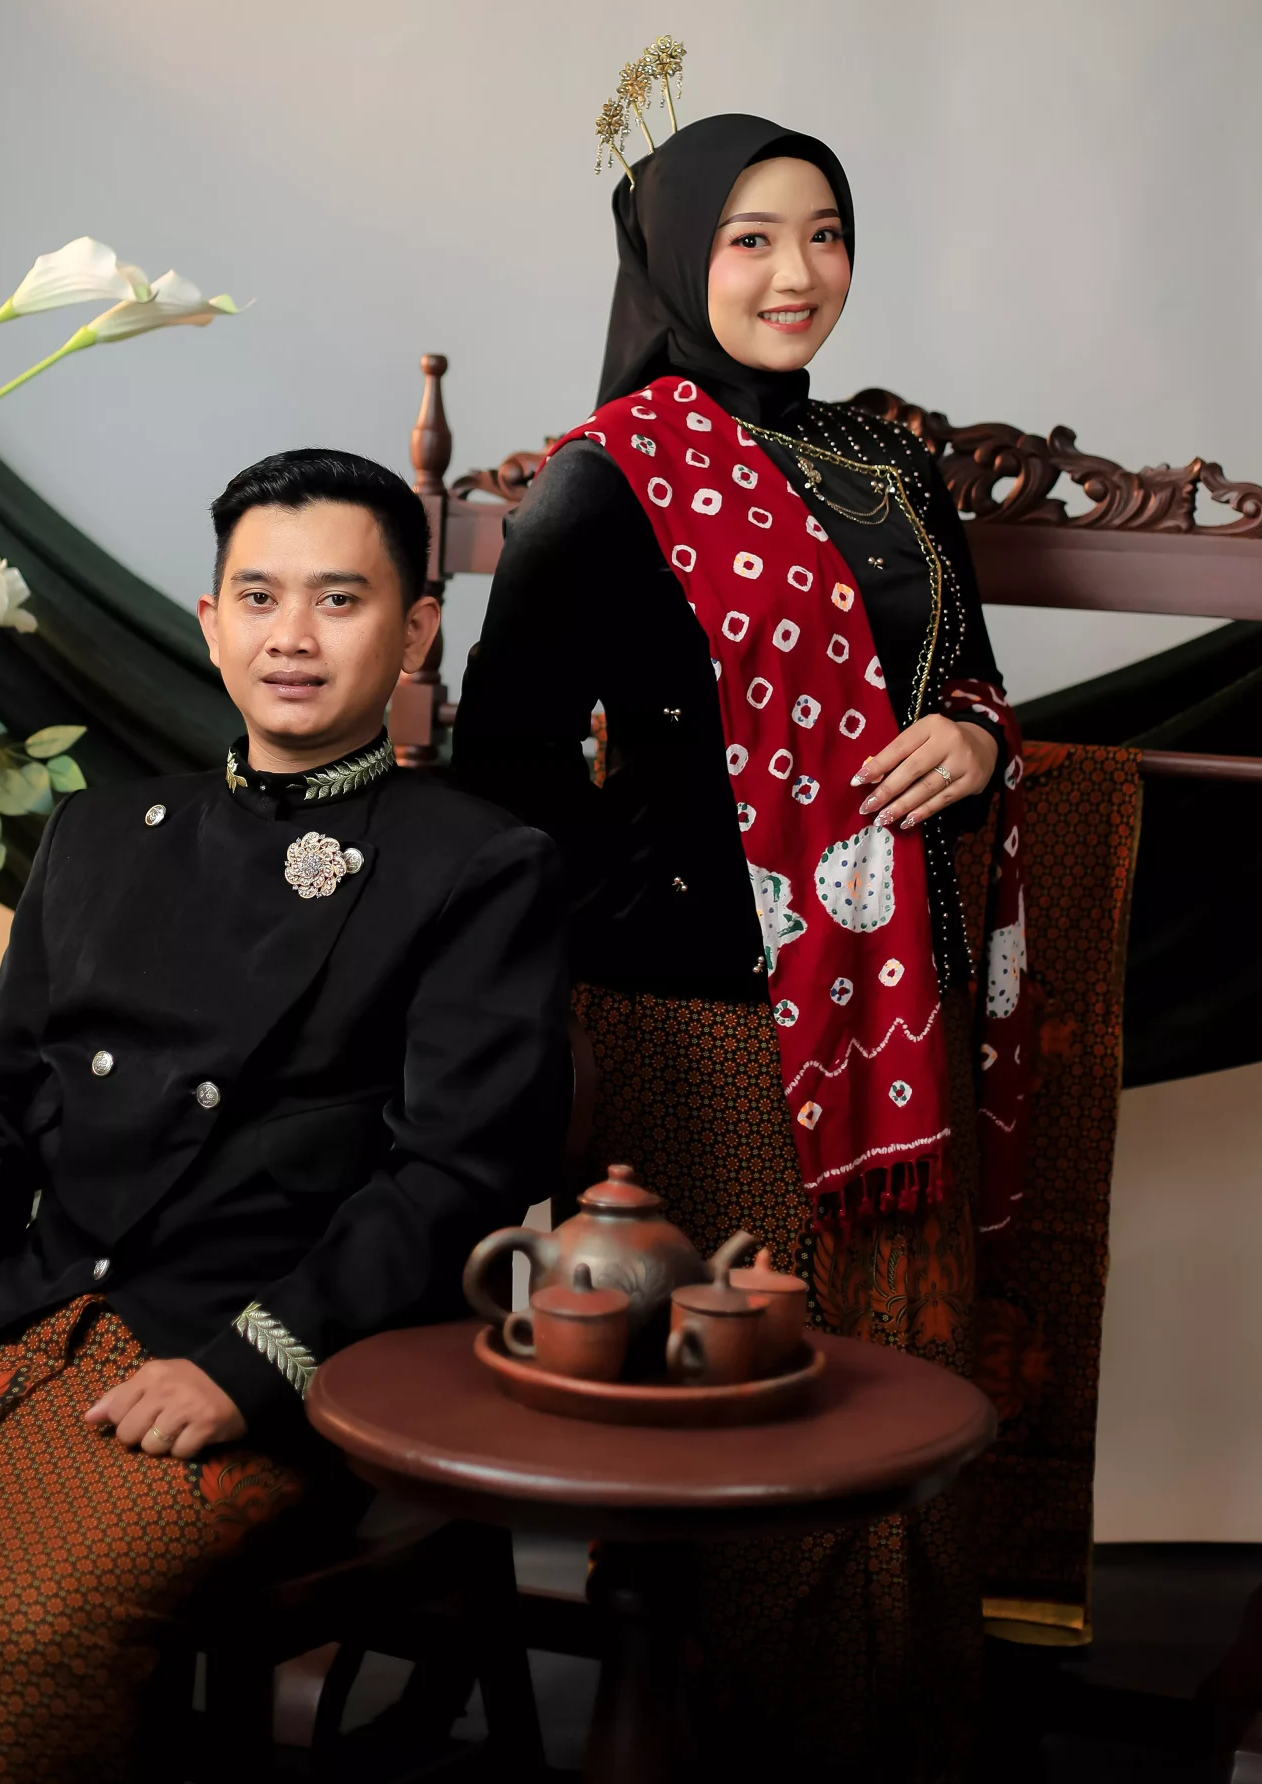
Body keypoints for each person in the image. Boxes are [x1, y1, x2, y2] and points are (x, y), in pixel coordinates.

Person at [0, 450, 569, 1784]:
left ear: (415, 631)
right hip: (29, 1322)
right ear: (210, 622)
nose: (291, 636)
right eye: (258, 597)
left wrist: (248, 1368)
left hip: (278, 1357)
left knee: (17, 1630)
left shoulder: (480, 864)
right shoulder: (100, 835)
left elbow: (458, 1175)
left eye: (338, 600)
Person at [452, 112, 1016, 1778]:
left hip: (901, 988)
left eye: (824, 233)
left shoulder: (889, 461)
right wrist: (670, 893)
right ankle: (737, 1732)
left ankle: (895, 1728)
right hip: (706, 1011)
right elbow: (505, 766)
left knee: (898, 1375)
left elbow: (967, 678)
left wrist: (973, 743)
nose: (796, 273)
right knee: (757, 1381)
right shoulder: (606, 475)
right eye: (750, 238)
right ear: (674, 256)